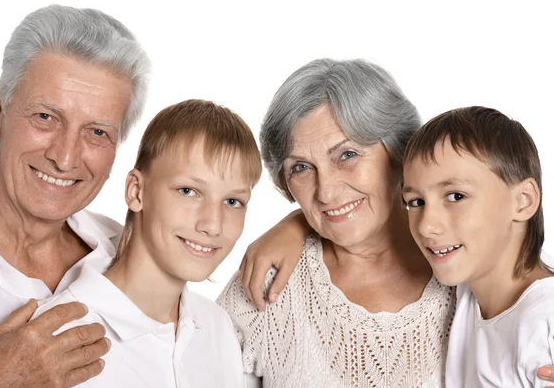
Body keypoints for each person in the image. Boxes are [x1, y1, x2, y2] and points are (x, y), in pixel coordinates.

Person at [218, 58, 554, 387]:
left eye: (347, 155)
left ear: (399, 154)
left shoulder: (466, 271)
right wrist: (294, 224)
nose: (327, 191)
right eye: (301, 168)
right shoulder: (264, 287)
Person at [0, 5, 150, 387]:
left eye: (97, 132)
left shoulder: (129, 255)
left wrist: (294, 228)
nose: (64, 158)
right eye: (45, 117)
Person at [32, 99, 261, 387]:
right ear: (136, 191)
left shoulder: (219, 327)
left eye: (233, 201)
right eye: (188, 191)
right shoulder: (56, 341)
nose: (213, 225)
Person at [402, 106, 554, 387]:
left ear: (523, 201)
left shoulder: (543, 328)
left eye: (456, 196)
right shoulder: (471, 283)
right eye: (416, 202)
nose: (426, 225)